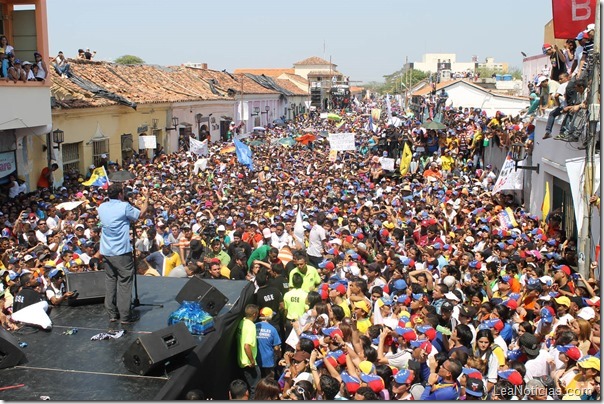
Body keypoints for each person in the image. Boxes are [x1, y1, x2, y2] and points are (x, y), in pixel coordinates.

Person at [98, 183, 148, 324]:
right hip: (121, 251)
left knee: (110, 280)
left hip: (106, 251)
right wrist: (146, 197)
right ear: (120, 194)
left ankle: (112, 314)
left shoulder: (101, 207)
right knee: (125, 282)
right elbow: (141, 214)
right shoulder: (124, 206)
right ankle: (125, 316)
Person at [237, 304, 260, 397]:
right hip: (249, 363)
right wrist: (252, 361)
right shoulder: (251, 326)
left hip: (241, 361)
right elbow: (247, 346)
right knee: (255, 389)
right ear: (254, 314)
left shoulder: (241, 322)